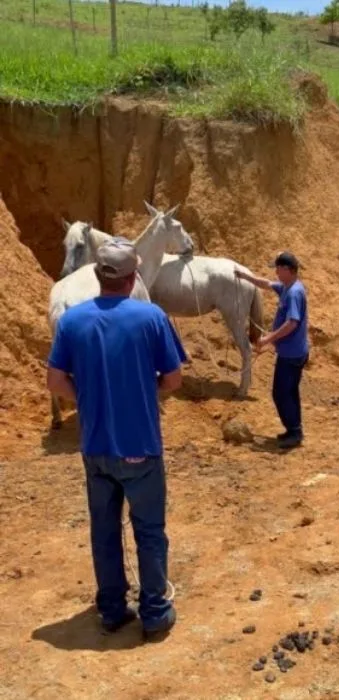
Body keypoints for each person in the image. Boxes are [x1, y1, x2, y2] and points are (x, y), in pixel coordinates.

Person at [47, 237, 186, 641]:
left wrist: (88, 401)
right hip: (140, 446)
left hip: (95, 448)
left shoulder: (72, 322)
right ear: (132, 278)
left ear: (96, 274)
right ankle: (155, 613)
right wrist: (147, 391)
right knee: (149, 530)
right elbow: (174, 378)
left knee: (104, 530)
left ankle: (110, 610)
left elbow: (55, 380)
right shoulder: (152, 318)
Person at [235, 251, 310, 449]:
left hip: (291, 354)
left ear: (287, 269)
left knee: (281, 393)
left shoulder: (293, 293)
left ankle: (294, 432)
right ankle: (294, 429)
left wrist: (268, 338)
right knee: (289, 392)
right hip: (294, 351)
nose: (275, 272)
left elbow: (292, 323)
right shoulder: (288, 287)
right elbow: (266, 284)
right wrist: (244, 276)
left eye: (277, 268)